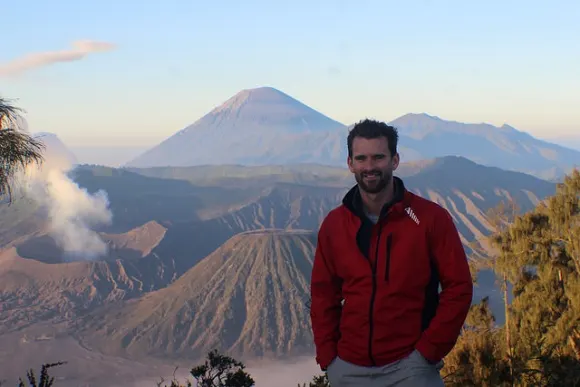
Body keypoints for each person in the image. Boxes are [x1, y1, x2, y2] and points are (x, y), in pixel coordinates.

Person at [309, 119, 473, 386]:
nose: (370, 166)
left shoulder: (430, 219)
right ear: (350, 163)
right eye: (361, 158)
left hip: (411, 367)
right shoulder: (335, 225)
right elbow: (323, 293)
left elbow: (459, 287)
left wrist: (427, 352)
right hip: (348, 369)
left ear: (395, 160)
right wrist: (329, 358)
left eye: (378, 157)